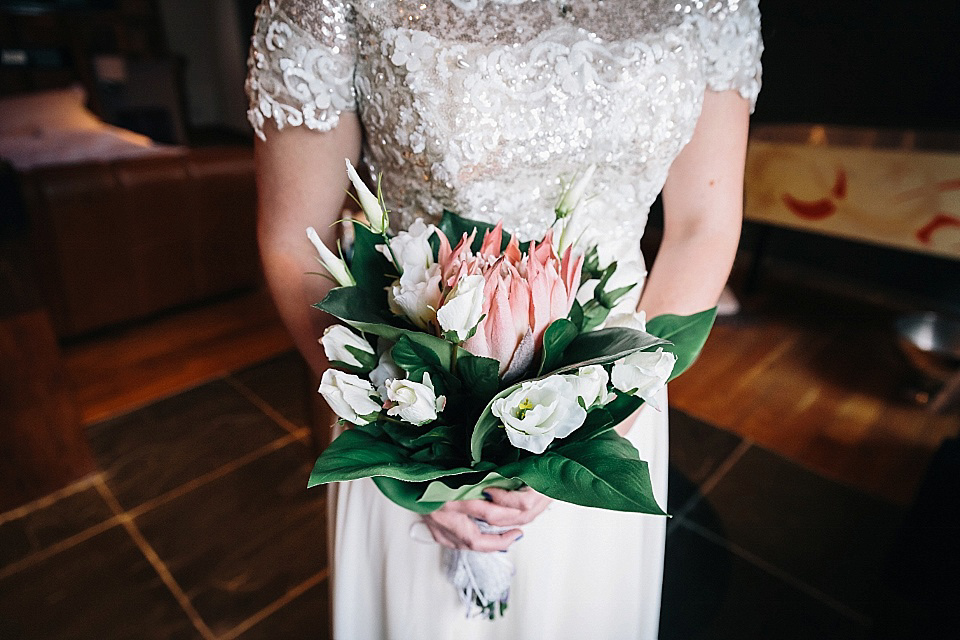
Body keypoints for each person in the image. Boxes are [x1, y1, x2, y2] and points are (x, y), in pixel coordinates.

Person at [246, 1, 761, 637]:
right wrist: (404, 444)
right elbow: (294, 237)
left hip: (610, 400)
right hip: (407, 404)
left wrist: (603, 419)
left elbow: (701, 227)